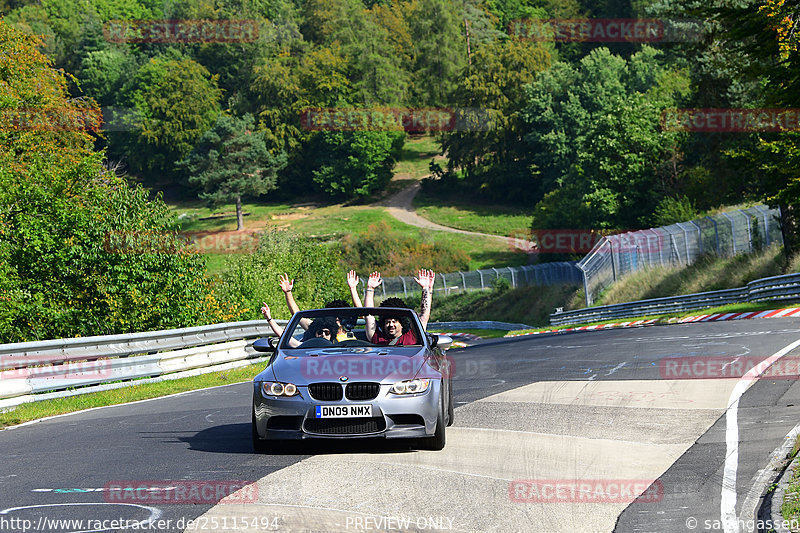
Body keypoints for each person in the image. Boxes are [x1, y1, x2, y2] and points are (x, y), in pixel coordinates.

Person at [278, 270, 363, 341]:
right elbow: (298, 314)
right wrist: (288, 293)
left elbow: (363, 314)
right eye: (334, 316)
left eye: (340, 316)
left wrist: (353, 289)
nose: (337, 318)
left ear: (346, 317)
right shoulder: (320, 330)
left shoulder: (350, 337)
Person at [364, 269, 435, 345]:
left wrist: (426, 288)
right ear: (383, 325)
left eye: (394, 321)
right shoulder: (377, 338)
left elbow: (424, 315)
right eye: (388, 322)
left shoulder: (412, 337)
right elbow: (368, 315)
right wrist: (370, 289)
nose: (391, 325)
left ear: (402, 325)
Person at [260, 303, 335, 347]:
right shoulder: (305, 347)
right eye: (320, 332)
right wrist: (269, 318)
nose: (323, 335)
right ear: (314, 333)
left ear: (332, 334)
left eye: (327, 332)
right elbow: (284, 335)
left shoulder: (337, 349)